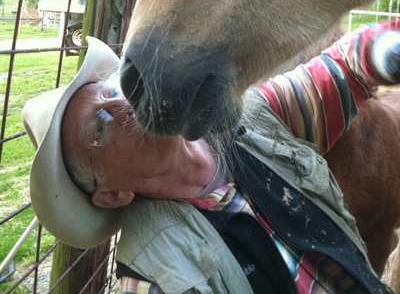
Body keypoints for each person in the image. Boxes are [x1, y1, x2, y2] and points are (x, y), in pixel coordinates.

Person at [22, 23, 400, 294]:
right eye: (99, 127)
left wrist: (384, 50)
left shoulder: (255, 116)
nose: (123, 103)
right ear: (112, 195)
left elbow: (343, 66)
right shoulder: (152, 275)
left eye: (110, 90)